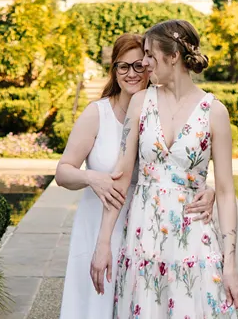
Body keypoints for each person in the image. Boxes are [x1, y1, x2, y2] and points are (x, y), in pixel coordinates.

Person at [55, 31, 216, 319]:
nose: (131, 73)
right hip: (100, 225)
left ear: (149, 65)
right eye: (122, 66)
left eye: (138, 65)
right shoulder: (97, 114)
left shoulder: (157, 111)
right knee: (95, 308)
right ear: (113, 70)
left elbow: (178, 165)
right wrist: (92, 178)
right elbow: (63, 172)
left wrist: (209, 190)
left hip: (147, 230)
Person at [89, 18, 238, 317]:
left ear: (173, 57)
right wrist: (103, 243)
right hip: (143, 240)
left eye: (149, 55)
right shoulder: (140, 102)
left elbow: (225, 192)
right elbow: (121, 178)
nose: (144, 63)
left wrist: (231, 264)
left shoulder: (215, 112)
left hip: (194, 241)